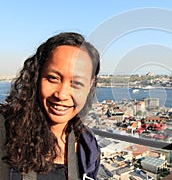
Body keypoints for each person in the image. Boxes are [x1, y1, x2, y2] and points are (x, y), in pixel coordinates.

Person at [0, 32, 100, 179]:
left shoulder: (87, 148)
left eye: (77, 83)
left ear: (90, 85)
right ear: (37, 76)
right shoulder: (5, 129)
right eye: (53, 78)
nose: (61, 94)